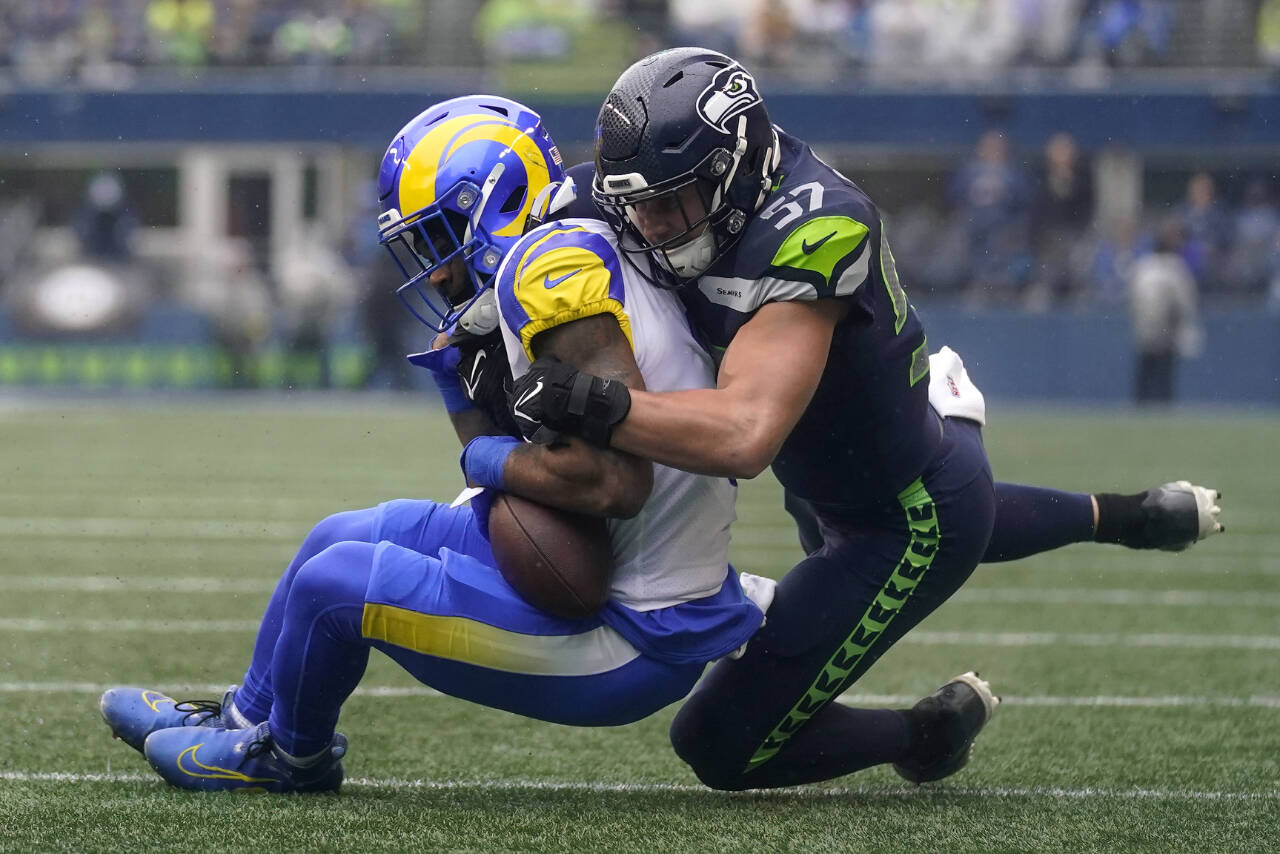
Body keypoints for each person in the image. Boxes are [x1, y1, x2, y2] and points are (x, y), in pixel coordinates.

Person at [509, 47, 1223, 791]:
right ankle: (1126, 516)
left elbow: (744, 435)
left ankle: (926, 736)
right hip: (844, 462)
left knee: (717, 742)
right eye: (636, 201)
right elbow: (522, 219)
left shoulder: (817, 225)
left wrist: (591, 402)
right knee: (945, 501)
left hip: (902, 514)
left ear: (738, 164)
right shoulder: (658, 194)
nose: (648, 223)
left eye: (670, 199)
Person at [97, 95, 770, 793]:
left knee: (337, 587)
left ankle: (289, 760)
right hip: (630, 578)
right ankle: (243, 721)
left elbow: (614, 486)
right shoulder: (569, 245)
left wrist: (482, 457)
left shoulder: (549, 277)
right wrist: (459, 386)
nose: (438, 268)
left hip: (634, 636)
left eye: (441, 232)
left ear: (501, 202)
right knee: (339, 536)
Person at [1130, 216, 1201, 404]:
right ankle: (1153, 409)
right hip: (1162, 329)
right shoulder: (1172, 267)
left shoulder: (1145, 265)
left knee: (1149, 376)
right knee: (1159, 378)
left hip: (1153, 329)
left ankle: (1145, 409)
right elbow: (1186, 301)